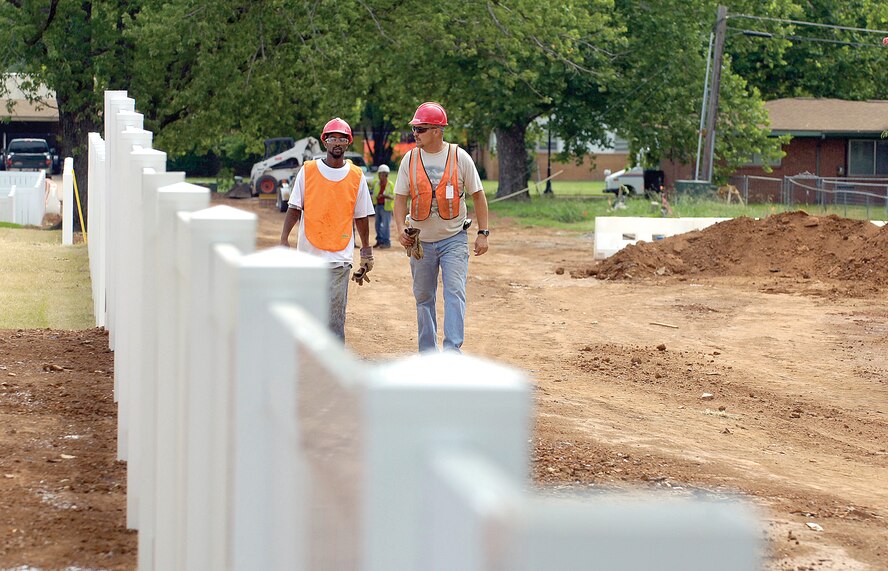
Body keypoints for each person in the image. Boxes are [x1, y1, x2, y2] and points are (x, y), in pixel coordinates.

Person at [393, 102, 489, 353]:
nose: (415, 133)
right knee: (423, 297)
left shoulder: (460, 157)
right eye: (415, 128)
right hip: (420, 242)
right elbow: (400, 198)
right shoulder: (410, 159)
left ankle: (452, 351)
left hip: (453, 239)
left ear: (437, 130)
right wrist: (399, 229)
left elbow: (478, 195)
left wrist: (483, 233)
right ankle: (427, 352)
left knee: (454, 293)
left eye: (421, 129)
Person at [280, 117, 375, 341]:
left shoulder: (356, 176)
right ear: (325, 142)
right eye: (332, 138)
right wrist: (284, 238)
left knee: (334, 321)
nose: (337, 143)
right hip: (308, 257)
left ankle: (332, 371)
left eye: (342, 139)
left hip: (339, 258)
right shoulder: (308, 171)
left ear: (348, 143)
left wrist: (366, 251)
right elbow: (294, 208)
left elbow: (361, 217)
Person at [371, 164, 394, 248]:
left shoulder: (390, 185)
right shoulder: (377, 184)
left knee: (385, 226)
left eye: (384, 174)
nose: (382, 176)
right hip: (378, 206)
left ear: (387, 175)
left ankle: (386, 242)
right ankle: (379, 241)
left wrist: (385, 196)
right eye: (381, 174)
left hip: (386, 207)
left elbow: (393, 196)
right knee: (377, 225)